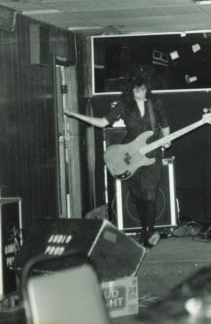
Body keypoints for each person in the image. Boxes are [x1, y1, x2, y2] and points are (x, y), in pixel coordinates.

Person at [65, 74, 171, 248]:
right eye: (138, 90)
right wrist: (76, 115)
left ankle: (149, 234)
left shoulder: (156, 104)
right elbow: (102, 122)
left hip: (153, 155)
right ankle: (145, 231)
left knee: (150, 193)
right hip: (129, 156)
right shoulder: (124, 105)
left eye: (144, 89)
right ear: (131, 91)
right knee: (138, 197)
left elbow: (165, 126)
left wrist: (167, 140)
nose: (142, 93)